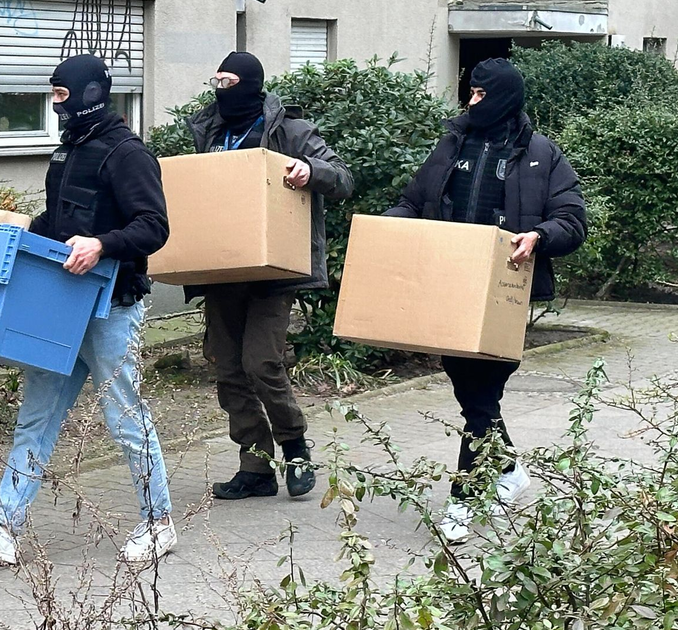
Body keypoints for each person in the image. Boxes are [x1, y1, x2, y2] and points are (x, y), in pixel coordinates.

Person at [0, 54, 175, 566]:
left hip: (112, 310)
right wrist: (17, 229)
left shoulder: (127, 153)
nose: (54, 102)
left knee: (125, 419)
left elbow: (154, 226)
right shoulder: (67, 151)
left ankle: (158, 522)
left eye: (61, 94)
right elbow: (58, 223)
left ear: (90, 94)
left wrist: (102, 244)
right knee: (36, 419)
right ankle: (3, 528)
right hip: (61, 308)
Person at [383, 58, 587, 542]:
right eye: (470, 93)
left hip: (504, 290)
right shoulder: (452, 144)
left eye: (480, 94)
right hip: (449, 283)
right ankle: (509, 469)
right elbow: (414, 201)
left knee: (484, 391)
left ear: (504, 98)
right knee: (467, 387)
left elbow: (572, 219)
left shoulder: (540, 154)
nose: (471, 102)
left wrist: (539, 235)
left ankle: (464, 498)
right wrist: (387, 229)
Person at [184, 52, 354, 501]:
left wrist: (310, 170)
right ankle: (256, 467)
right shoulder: (209, 130)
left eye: (228, 82)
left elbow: (342, 177)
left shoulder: (291, 130)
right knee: (228, 370)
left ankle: (294, 446)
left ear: (251, 84)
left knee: (261, 363)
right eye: (216, 81)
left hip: (275, 270)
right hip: (223, 267)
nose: (220, 90)